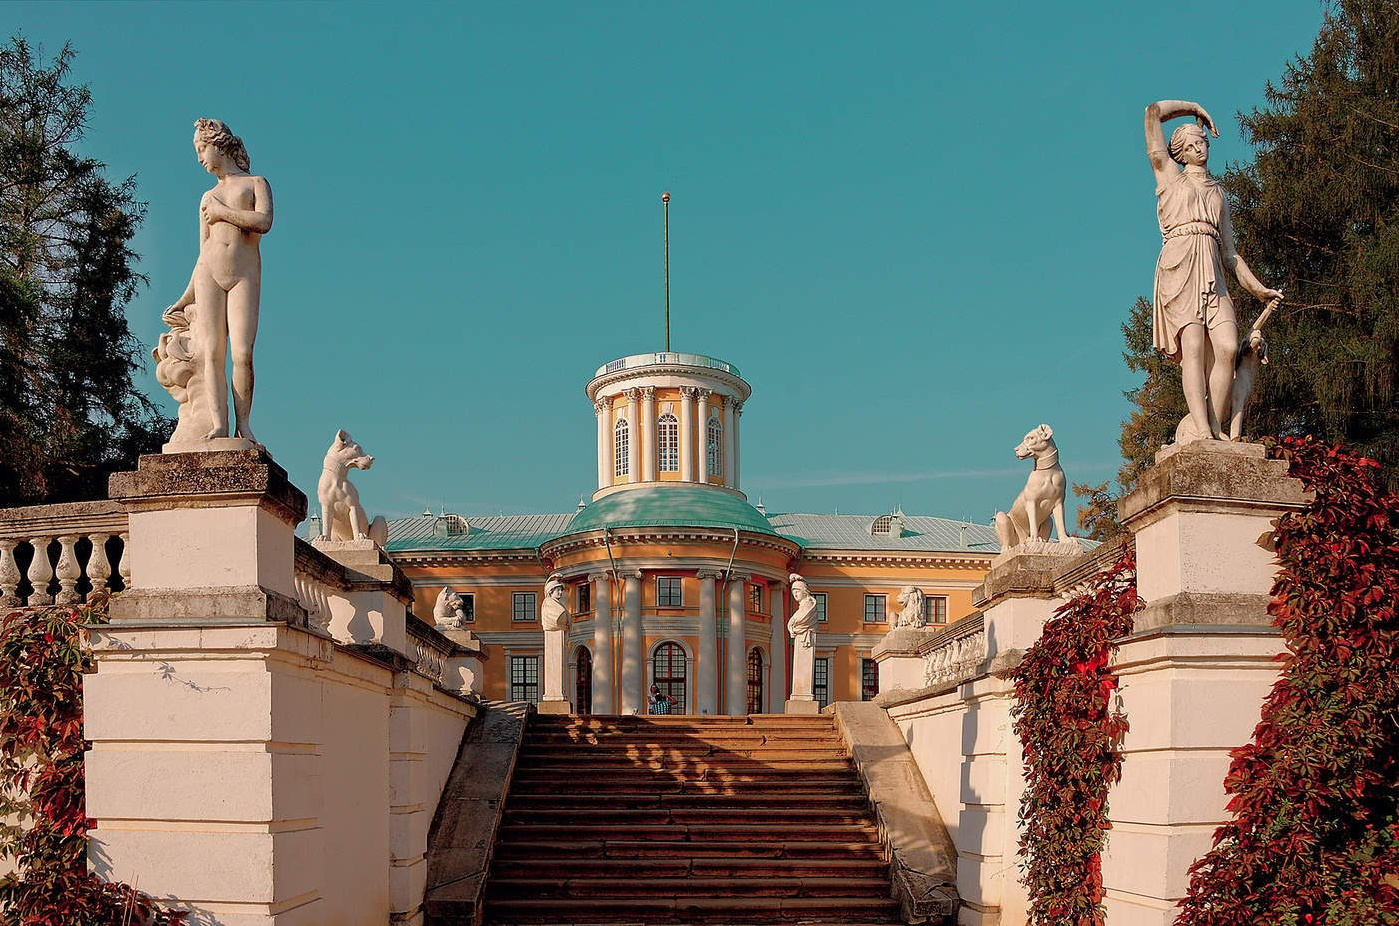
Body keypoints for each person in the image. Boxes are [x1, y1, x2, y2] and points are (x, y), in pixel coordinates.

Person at [1144, 100, 1282, 441]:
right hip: (1180, 266)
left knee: (1228, 347)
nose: (1198, 148)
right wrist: (1193, 107)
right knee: (1192, 348)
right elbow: (1152, 114)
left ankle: (1214, 426)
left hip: (1214, 271)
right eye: (1191, 144)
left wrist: (1259, 289)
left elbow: (1230, 254)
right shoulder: (1170, 178)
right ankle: (1204, 431)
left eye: (1202, 142)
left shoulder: (1219, 192)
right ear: (1180, 152)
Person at [166, 118, 274, 444]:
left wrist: (223, 213)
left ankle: (244, 426)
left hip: (244, 274)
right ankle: (218, 426)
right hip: (208, 275)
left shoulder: (256, 183)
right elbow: (202, 251)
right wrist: (186, 296)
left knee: (241, 353)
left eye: (202, 149)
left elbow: (264, 222)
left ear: (218, 146)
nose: (200, 158)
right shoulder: (207, 197)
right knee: (211, 353)